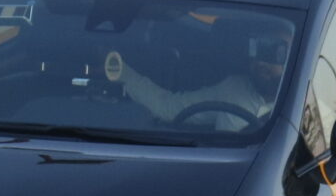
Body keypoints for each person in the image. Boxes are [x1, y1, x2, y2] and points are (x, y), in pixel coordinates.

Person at [109, 24, 289, 129]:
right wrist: (122, 73)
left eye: (276, 53)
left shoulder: (309, 103)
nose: (262, 63)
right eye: (259, 51)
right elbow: (169, 107)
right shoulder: (233, 89)